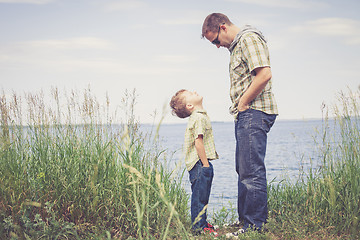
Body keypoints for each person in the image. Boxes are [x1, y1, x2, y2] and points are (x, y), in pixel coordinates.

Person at [201, 13, 278, 237]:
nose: (216, 46)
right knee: (243, 170)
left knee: (251, 172)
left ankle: (254, 226)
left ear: (223, 28)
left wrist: (243, 103)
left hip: (254, 112)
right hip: (246, 114)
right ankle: (245, 222)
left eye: (215, 40)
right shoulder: (236, 47)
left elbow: (264, 74)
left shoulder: (248, 39)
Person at [169, 89, 219, 237]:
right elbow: (198, 142)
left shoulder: (199, 116)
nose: (195, 91)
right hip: (199, 163)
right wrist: (205, 164)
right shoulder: (198, 118)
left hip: (198, 163)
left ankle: (202, 223)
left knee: (201, 194)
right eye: (191, 93)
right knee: (199, 196)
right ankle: (199, 228)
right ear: (190, 105)